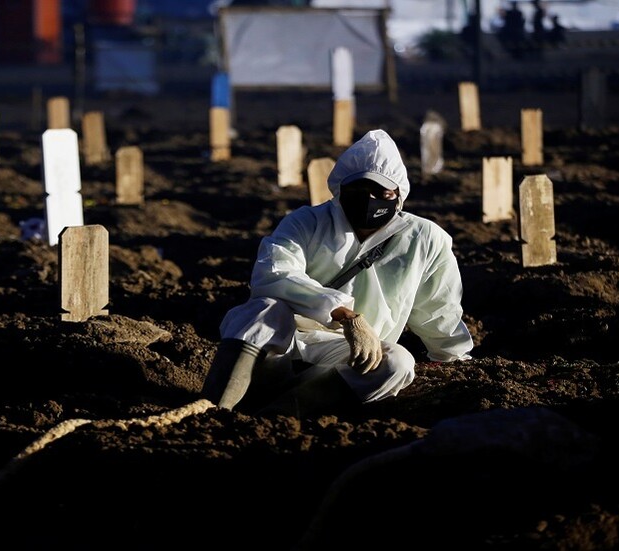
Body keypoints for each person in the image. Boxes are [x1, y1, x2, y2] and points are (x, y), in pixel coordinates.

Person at [200, 129, 474, 419]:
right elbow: (274, 273)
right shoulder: (307, 222)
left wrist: (451, 357)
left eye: (383, 193)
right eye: (360, 190)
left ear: (398, 195)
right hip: (284, 341)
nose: (371, 200)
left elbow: (437, 308)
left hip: (349, 352)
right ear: (341, 190)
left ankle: (280, 417)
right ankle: (214, 413)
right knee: (261, 312)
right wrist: (345, 315)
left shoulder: (425, 238)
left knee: (398, 363)